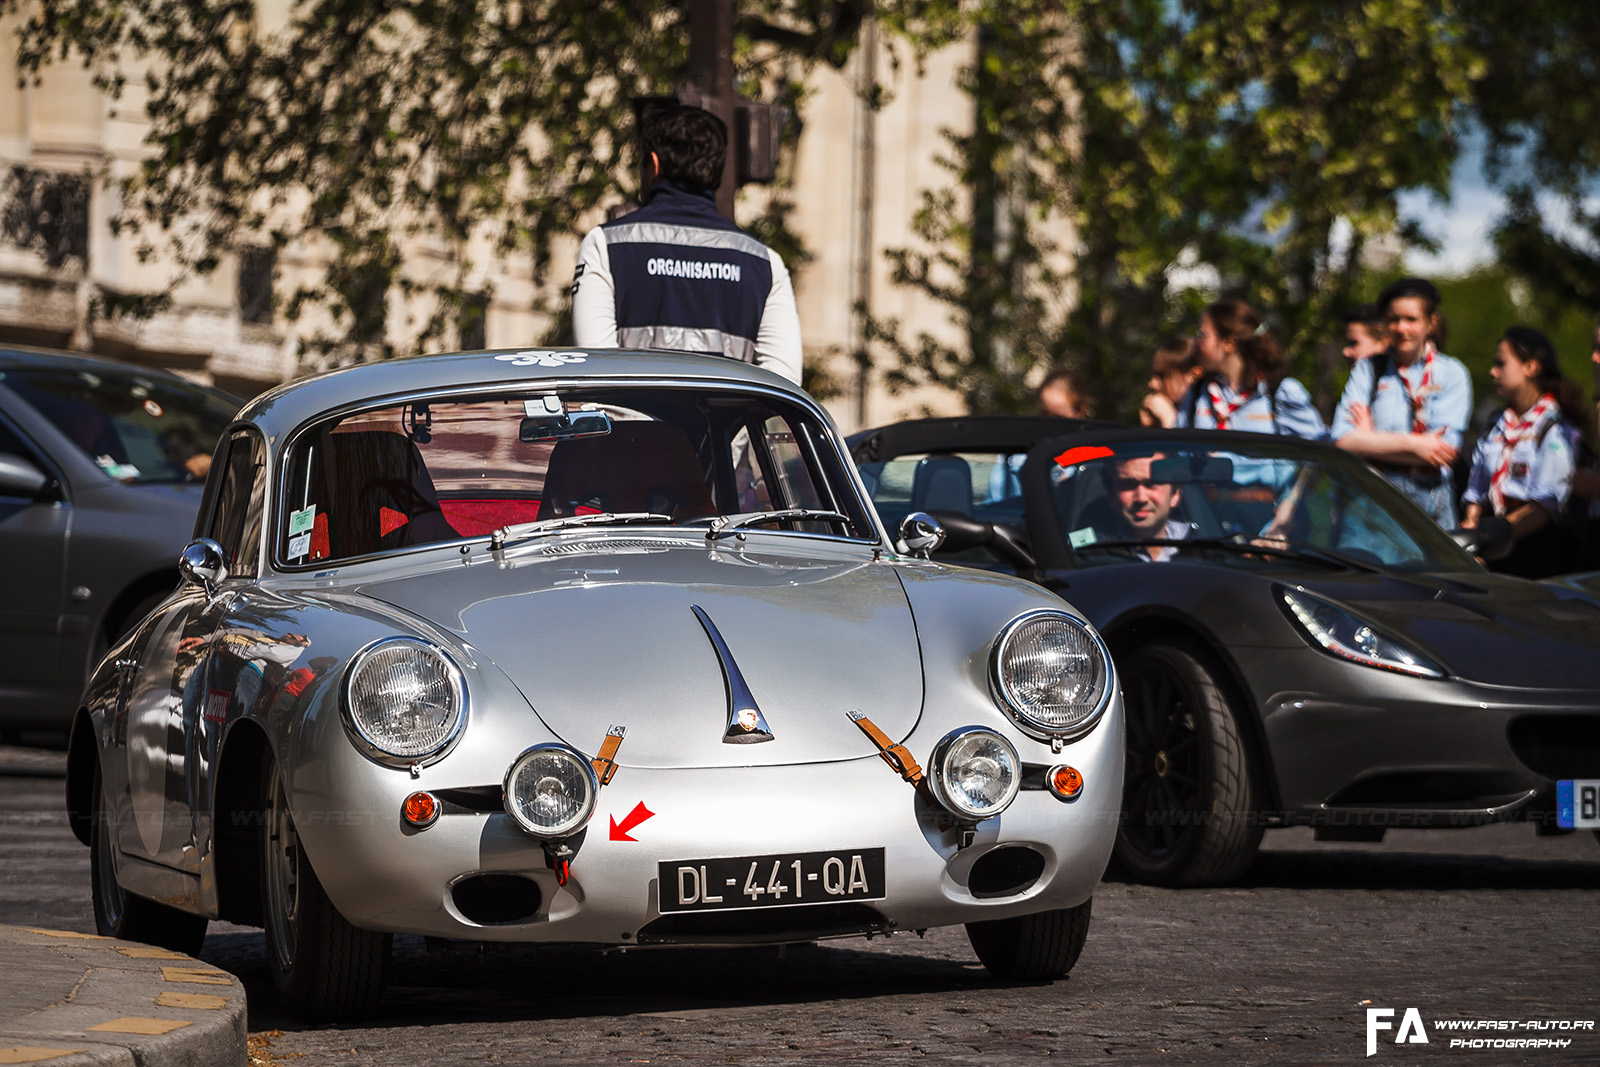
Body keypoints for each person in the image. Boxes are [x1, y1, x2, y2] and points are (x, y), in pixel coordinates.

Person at [570, 104, 803, 383]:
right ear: (714, 171)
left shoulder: (606, 245)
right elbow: (784, 380)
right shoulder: (765, 263)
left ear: (654, 165)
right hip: (723, 414)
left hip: (630, 415)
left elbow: (595, 370)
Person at [1330, 278, 1471, 528]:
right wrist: (1416, 444)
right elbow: (1343, 439)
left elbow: (1443, 451)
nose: (1401, 328)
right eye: (1394, 319)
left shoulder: (1452, 373)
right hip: (1372, 497)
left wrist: (1369, 440)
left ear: (1431, 323)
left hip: (1431, 500)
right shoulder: (1368, 369)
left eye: (1411, 319)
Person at [1460, 326, 1591, 579]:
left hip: (1532, 546)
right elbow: (1477, 486)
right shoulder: (1495, 423)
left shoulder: (1555, 428)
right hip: (1491, 535)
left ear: (1531, 367)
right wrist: (1471, 522)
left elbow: (1544, 507)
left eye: (1501, 364)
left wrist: (1488, 539)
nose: (1493, 372)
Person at [1176, 299, 1325, 439]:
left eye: (1202, 334)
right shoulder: (1198, 392)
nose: (1196, 342)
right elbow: (1179, 447)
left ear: (1229, 343)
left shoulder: (1278, 392)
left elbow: (1318, 446)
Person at [1107, 453, 1187, 561]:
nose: (1141, 498)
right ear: (1112, 495)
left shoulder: (1203, 550)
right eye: (1128, 484)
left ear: (1175, 494)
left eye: (1152, 484)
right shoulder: (1092, 557)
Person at [1139, 337, 1201, 428]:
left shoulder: (1206, 410)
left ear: (1193, 375)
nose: (1152, 384)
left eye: (1162, 376)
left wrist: (1169, 420)